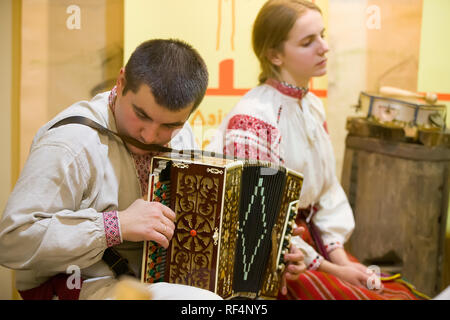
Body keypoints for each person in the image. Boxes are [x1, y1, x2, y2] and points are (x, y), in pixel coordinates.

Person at [207, 0, 423, 300]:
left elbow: (327, 192)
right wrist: (336, 271)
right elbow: (257, 222)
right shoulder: (254, 118)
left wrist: (342, 258)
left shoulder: (311, 106)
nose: (324, 47)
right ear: (274, 54)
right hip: (278, 260)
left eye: (322, 35)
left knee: (395, 292)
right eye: (308, 42)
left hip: (313, 244)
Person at [0, 39, 221, 300]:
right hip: (74, 282)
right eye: (142, 115)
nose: (150, 136)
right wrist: (116, 225)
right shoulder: (71, 143)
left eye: (169, 125)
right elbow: (12, 242)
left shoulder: (182, 137)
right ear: (121, 82)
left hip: (143, 281)